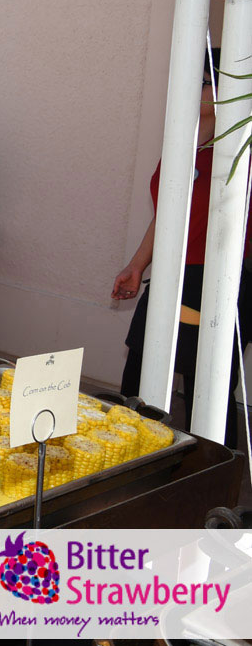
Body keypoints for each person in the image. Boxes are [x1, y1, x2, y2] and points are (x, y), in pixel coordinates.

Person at [114, 51, 251, 446]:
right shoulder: (184, 142)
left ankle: (213, 469)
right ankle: (131, 456)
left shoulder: (241, 150)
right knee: (138, 377)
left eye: (204, 82)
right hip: (171, 274)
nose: (195, 89)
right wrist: (137, 266)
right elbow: (169, 215)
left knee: (207, 392)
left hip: (217, 278)